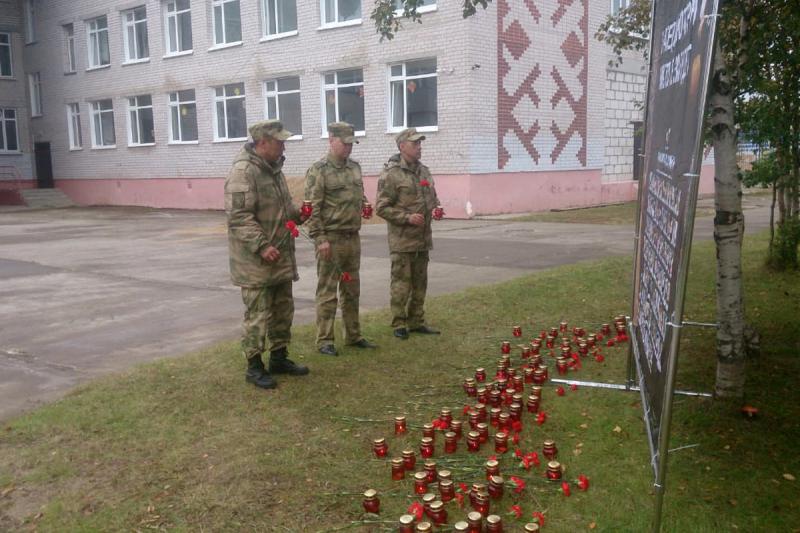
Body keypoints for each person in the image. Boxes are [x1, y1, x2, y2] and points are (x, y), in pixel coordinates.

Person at [224, 119, 310, 390]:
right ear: (262, 142)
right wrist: (262, 245)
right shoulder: (244, 172)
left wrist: (300, 214)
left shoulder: (273, 170)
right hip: (256, 262)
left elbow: (284, 208)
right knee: (258, 313)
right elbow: (238, 218)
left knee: (283, 310)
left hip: (280, 256)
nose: (283, 145)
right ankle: (254, 366)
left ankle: (279, 358)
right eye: (279, 141)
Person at [303, 122, 377, 356]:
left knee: (351, 288)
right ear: (331, 140)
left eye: (351, 144)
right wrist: (320, 238)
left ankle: (353, 335)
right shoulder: (319, 170)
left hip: (351, 238)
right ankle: (325, 339)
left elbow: (358, 193)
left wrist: (364, 204)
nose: (348, 148)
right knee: (327, 291)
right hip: (330, 239)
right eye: (344, 143)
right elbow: (312, 209)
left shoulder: (354, 168)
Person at [376, 127, 442, 340]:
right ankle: (399, 323)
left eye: (420, 143)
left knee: (420, 283)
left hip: (422, 239)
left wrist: (436, 208)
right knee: (401, 283)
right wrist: (407, 217)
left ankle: (416, 320)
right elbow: (382, 207)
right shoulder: (392, 174)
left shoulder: (424, 171)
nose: (419, 147)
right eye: (415, 144)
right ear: (402, 146)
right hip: (402, 241)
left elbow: (431, 197)